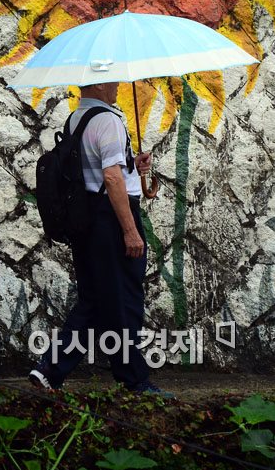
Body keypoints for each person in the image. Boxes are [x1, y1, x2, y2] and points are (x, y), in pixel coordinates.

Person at [29, 81, 170, 394]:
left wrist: (134, 166)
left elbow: (96, 169)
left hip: (87, 218)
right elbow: (110, 177)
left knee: (94, 300)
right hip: (112, 218)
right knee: (125, 300)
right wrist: (130, 230)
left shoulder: (76, 118)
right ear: (100, 83)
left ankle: (50, 370)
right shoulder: (108, 120)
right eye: (113, 80)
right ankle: (135, 381)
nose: (118, 85)